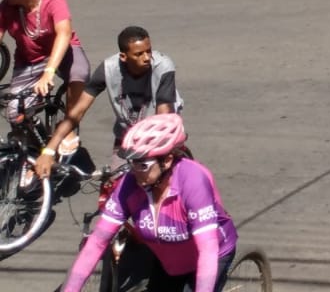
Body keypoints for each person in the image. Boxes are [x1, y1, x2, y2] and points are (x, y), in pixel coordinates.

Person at [60, 113, 237, 292]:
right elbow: (97, 242)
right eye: (132, 162)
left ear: (167, 160)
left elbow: (207, 249)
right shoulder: (129, 185)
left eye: (143, 165)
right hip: (170, 259)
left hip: (211, 256)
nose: (135, 171)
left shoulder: (193, 181)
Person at [36, 25, 182, 181]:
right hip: (127, 137)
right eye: (139, 54)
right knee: (115, 187)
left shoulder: (163, 66)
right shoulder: (108, 69)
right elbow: (76, 112)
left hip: (159, 135)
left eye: (148, 51)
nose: (146, 58)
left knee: (161, 181)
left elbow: (163, 115)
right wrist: (49, 151)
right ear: (124, 57)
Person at [1, 0, 91, 140]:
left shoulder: (54, 1)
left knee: (79, 74)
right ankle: (38, 146)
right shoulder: (7, 7)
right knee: (15, 114)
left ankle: (68, 126)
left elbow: (64, 34)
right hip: (30, 59)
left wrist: (48, 72)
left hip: (63, 51)